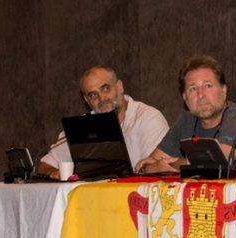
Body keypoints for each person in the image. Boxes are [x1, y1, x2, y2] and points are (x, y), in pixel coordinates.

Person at [136, 56, 236, 175]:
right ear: (185, 98)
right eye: (193, 89)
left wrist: (171, 163)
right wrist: (148, 168)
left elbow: (213, 165)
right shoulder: (186, 121)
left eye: (208, 86)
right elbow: (149, 162)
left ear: (224, 91)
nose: (201, 95)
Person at [37, 65, 169, 179]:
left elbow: (158, 171)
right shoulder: (83, 127)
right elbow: (44, 165)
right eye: (93, 95)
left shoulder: (148, 118)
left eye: (105, 88)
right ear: (87, 101)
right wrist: (52, 172)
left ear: (119, 87)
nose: (101, 98)